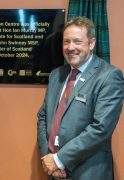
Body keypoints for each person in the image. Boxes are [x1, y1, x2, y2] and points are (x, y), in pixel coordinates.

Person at [37, 16, 124, 179]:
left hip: (87, 172)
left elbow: (101, 128)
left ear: (91, 43)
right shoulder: (56, 75)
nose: (70, 47)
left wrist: (59, 159)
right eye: (66, 42)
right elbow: (43, 116)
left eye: (77, 41)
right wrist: (48, 158)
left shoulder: (109, 76)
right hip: (53, 170)